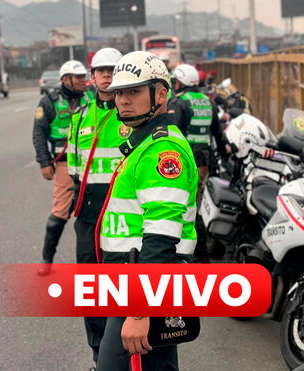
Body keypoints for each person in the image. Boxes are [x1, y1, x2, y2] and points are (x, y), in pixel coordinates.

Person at [95, 51, 198, 371]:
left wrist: (140, 312)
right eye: (120, 93)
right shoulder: (144, 143)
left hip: (145, 288)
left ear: (162, 93)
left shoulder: (162, 151)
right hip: (135, 282)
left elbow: (161, 236)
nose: (123, 100)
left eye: (134, 91)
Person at [66, 47, 125, 366]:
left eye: (112, 70)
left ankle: (129, 352)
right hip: (89, 213)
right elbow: (74, 166)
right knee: (90, 286)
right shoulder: (79, 118)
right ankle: (99, 355)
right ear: (91, 78)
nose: (106, 75)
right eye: (100, 70)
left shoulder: (130, 114)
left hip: (125, 214)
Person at [32, 60, 90, 276]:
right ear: (66, 79)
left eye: (84, 77)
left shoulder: (91, 98)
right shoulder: (49, 101)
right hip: (64, 163)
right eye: (78, 78)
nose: (83, 81)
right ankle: (47, 259)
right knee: (60, 213)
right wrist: (44, 162)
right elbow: (39, 133)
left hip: (92, 162)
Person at [167, 63, 225, 263]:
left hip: (187, 160)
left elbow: (173, 135)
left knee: (187, 206)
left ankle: (195, 255)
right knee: (195, 204)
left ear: (180, 82)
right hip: (205, 161)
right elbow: (218, 133)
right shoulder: (208, 102)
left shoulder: (179, 103)